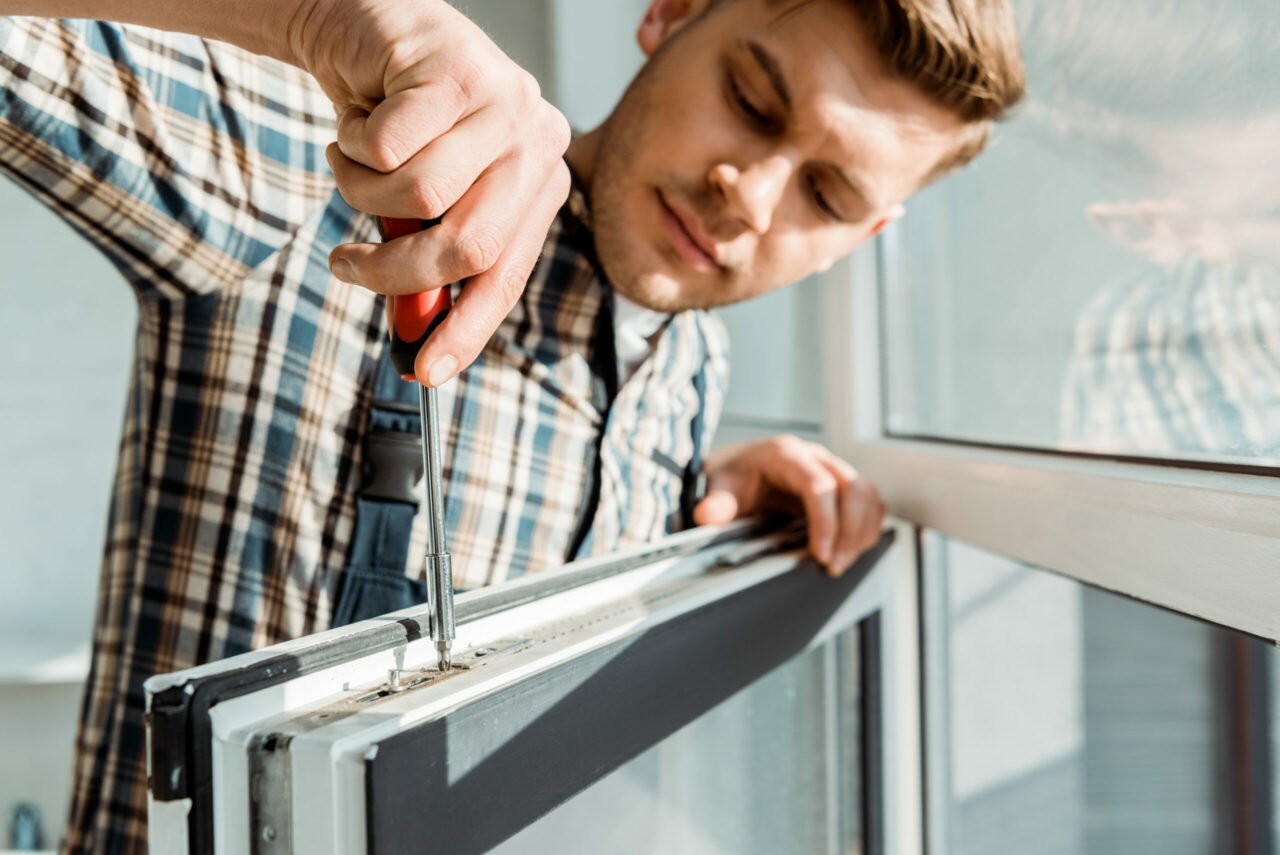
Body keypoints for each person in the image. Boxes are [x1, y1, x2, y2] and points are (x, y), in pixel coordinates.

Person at [0, 0, 1024, 850]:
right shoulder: (330, 178)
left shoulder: (689, 369)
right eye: (751, 100)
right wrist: (321, 16)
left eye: (827, 195)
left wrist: (699, 494)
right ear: (670, 13)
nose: (747, 197)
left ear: (863, 236)